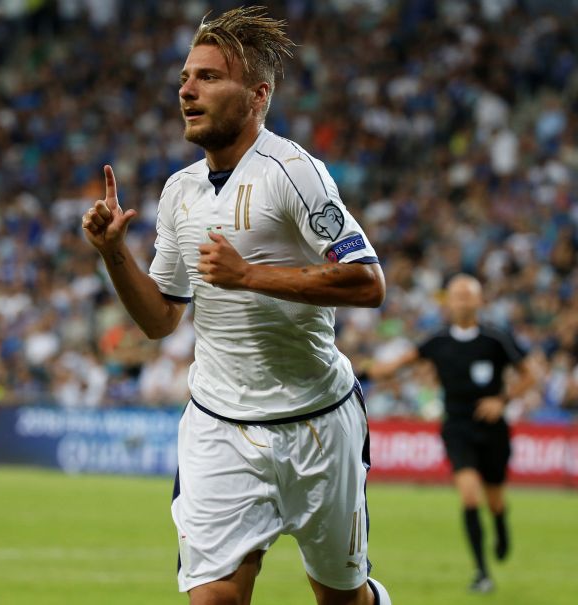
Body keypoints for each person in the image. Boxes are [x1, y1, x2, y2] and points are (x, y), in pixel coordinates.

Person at [82, 7, 391, 605]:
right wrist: (114, 253)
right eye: (184, 78)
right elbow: (160, 319)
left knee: (341, 598)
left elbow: (367, 282)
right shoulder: (180, 191)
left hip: (317, 423)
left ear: (257, 95)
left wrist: (250, 276)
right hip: (219, 425)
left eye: (208, 77)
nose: (187, 90)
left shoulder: (294, 173)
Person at [367, 274, 535, 593]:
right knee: (469, 495)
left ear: (479, 300)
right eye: (457, 296)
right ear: (449, 303)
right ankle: (482, 572)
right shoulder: (438, 341)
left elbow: (529, 375)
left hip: (492, 430)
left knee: (495, 500)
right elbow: (399, 363)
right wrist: (362, 370)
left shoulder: (496, 339)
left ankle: (500, 524)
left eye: (468, 295)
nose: (462, 301)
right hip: (457, 427)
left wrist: (501, 400)